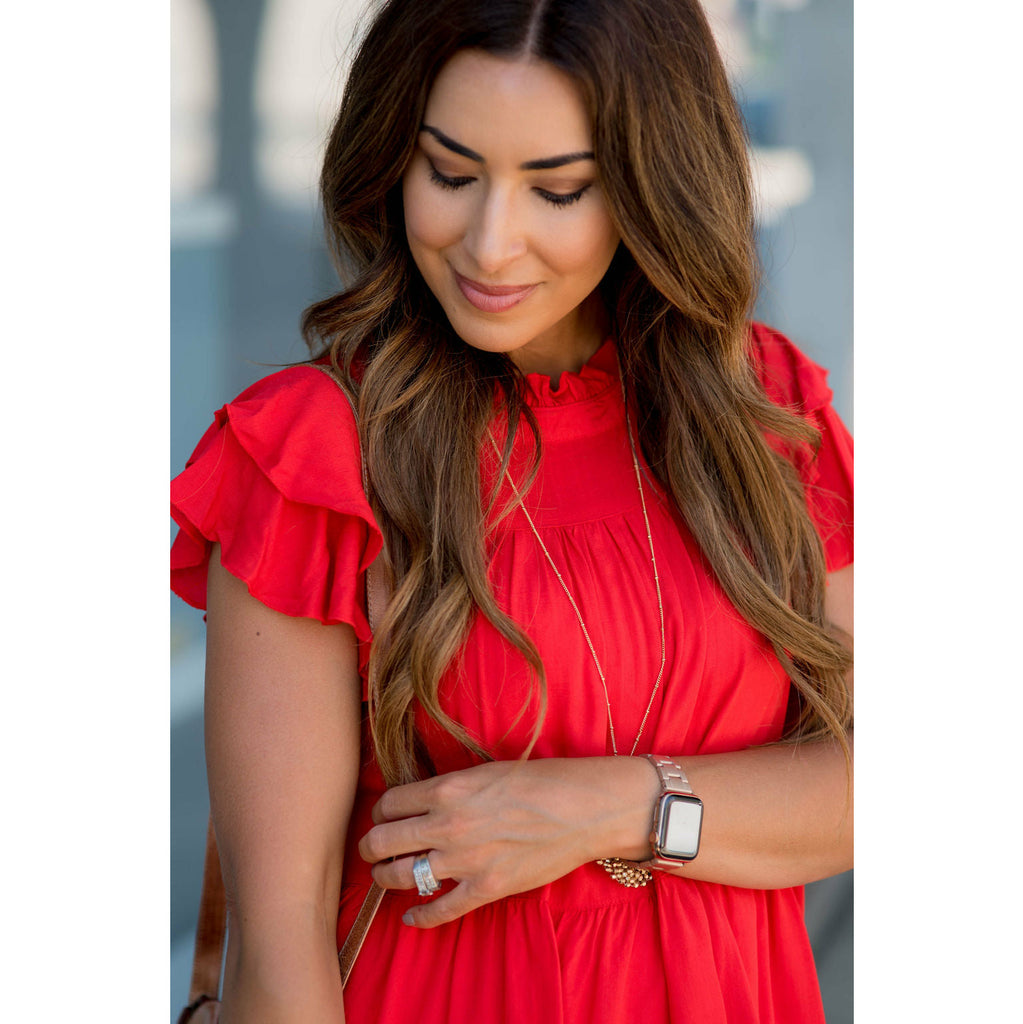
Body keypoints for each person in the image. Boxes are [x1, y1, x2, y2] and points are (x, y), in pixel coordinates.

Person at [170, 0, 853, 1020]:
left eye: (558, 188)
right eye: (450, 174)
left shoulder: (767, 416)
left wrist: (610, 807)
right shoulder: (313, 456)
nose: (490, 245)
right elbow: (281, 944)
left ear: (651, 182)